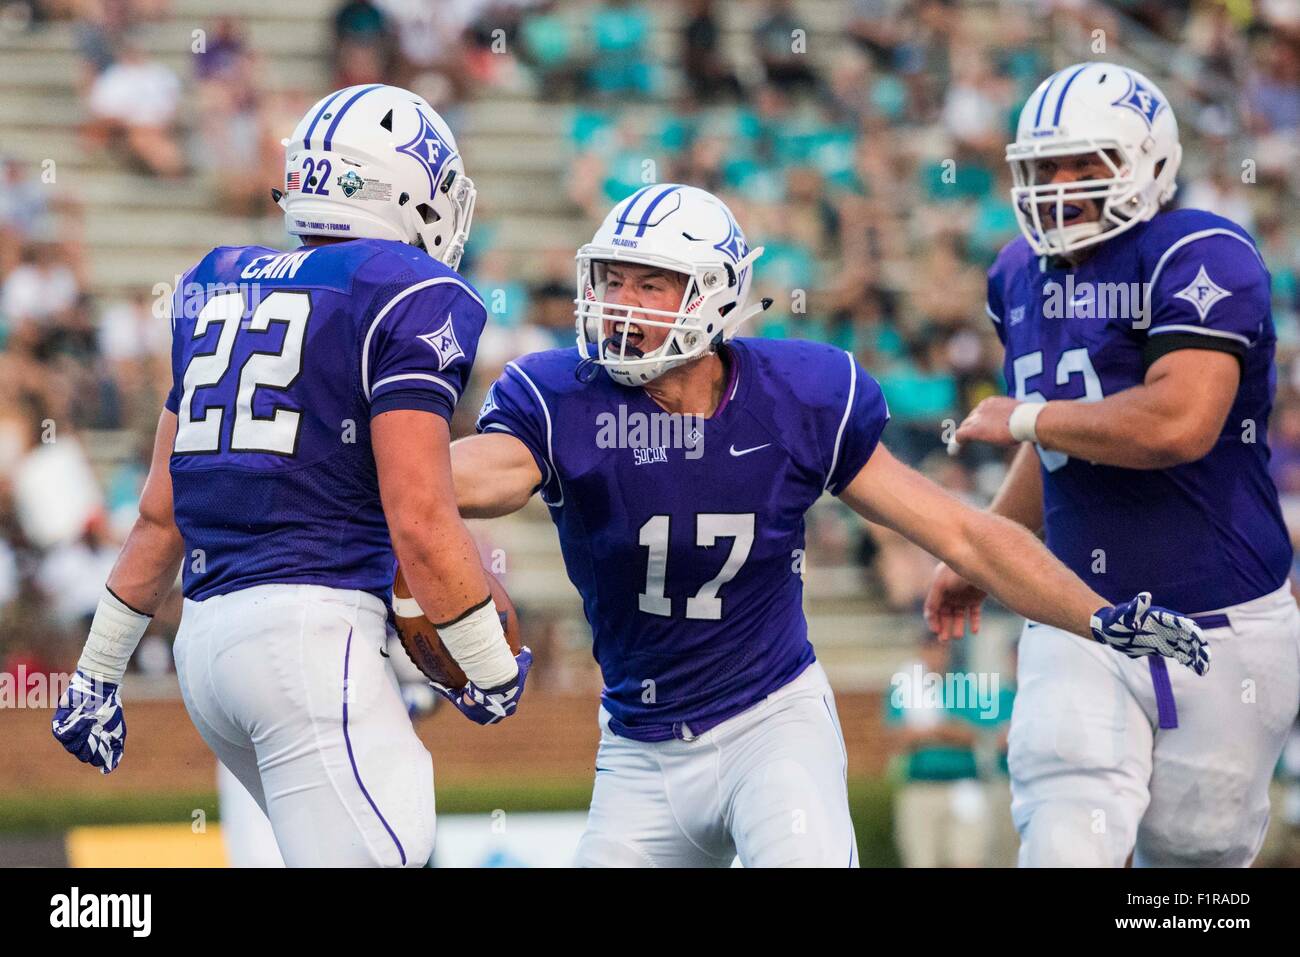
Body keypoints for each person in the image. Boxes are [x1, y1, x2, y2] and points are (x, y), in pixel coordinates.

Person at [451, 182, 1207, 867]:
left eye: (651, 284)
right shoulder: (561, 397)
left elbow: (961, 533)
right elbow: (472, 475)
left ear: (714, 298)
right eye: (613, 279)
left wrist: (1100, 617)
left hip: (770, 723)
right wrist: (367, 475)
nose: (621, 302)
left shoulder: (797, 397)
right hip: (638, 749)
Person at [51, 84, 531, 867]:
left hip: (208, 652)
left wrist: (97, 671)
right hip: (310, 638)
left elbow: (161, 512)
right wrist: (486, 661)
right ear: (401, 191)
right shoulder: (408, 292)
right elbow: (418, 512)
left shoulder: (219, 278)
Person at [932, 63, 1300, 867]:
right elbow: (1064, 444)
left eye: (1082, 165)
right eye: (1042, 168)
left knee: (1196, 862)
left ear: (1146, 162)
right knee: (1066, 823)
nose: (1057, 188)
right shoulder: (1015, 274)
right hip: (1081, 614)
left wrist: (1025, 414)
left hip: (1224, 618)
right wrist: (989, 546)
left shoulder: (1197, 252)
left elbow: (1178, 422)